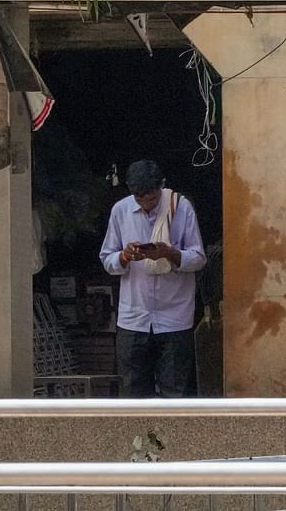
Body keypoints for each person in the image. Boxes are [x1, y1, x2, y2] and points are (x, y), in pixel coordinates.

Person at [99, 160, 207, 397]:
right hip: (133, 319)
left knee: (175, 392)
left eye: (152, 199)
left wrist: (169, 253)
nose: (147, 205)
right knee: (134, 393)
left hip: (174, 317)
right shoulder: (121, 210)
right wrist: (126, 256)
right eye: (140, 200)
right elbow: (108, 259)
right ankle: (137, 436)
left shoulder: (181, 207)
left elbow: (198, 258)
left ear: (162, 187)